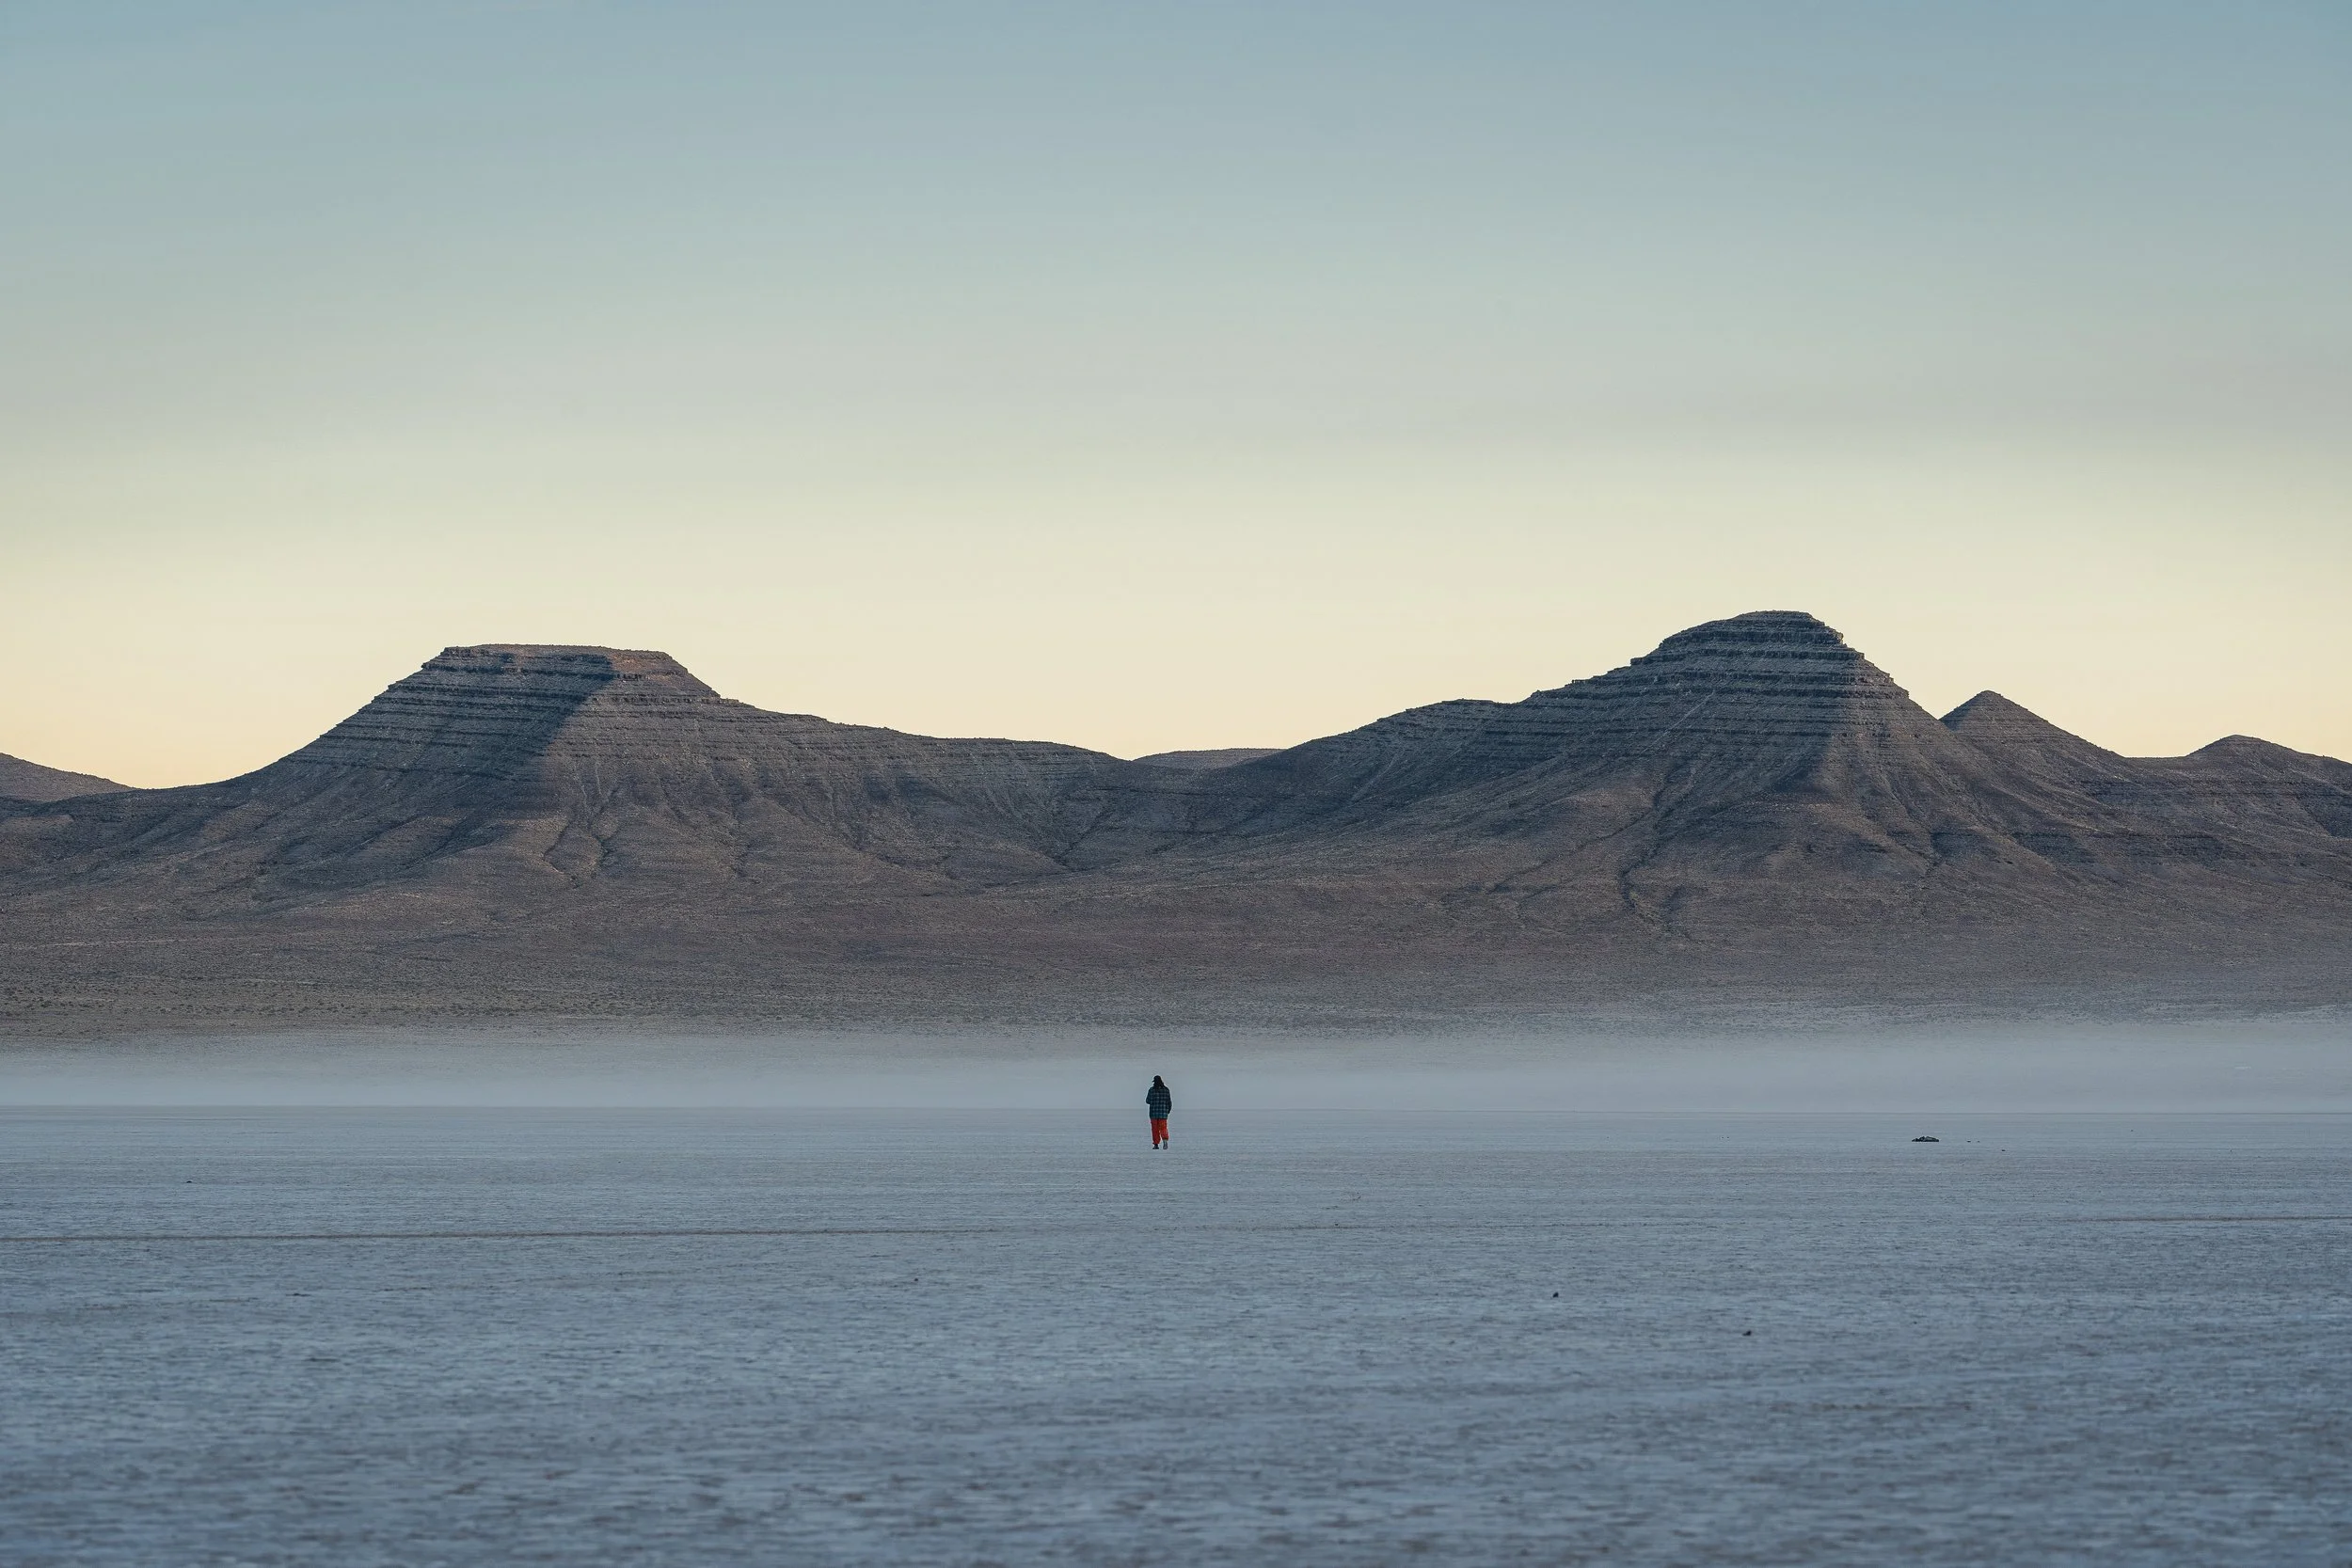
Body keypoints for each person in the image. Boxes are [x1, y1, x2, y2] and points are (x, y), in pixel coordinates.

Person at [1146, 1075, 1172, 1148]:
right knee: (1163, 1128)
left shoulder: (1151, 1090)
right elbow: (1169, 1102)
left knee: (1155, 1129)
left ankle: (1156, 1144)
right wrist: (1168, 1111)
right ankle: (1165, 1141)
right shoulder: (1166, 1090)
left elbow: (1147, 1101)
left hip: (1153, 1113)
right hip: (1163, 1113)